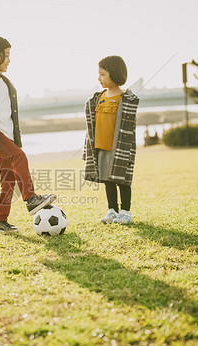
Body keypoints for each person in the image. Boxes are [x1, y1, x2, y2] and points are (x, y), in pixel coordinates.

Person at [0, 29, 55, 233]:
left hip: (8, 135)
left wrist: (15, 138)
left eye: (9, 56)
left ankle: (1, 221)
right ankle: (31, 199)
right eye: (5, 56)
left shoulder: (7, 83)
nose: (8, 60)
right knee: (20, 157)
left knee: (8, 181)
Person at [83, 56, 139, 224]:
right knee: (107, 180)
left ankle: (125, 211)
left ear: (114, 74)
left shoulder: (125, 99)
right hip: (101, 146)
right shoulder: (98, 98)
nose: (99, 79)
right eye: (99, 74)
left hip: (119, 148)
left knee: (122, 180)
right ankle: (112, 210)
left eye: (103, 74)